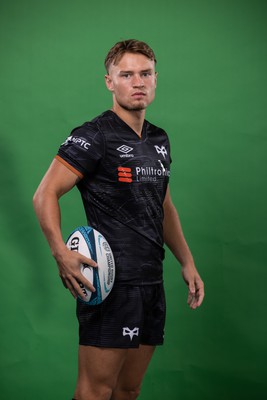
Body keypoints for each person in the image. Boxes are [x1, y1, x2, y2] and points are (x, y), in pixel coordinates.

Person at [33, 39, 204, 400]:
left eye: (145, 74)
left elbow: (164, 205)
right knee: (95, 390)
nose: (137, 81)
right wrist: (59, 253)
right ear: (110, 82)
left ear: (156, 79)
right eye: (126, 74)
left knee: (128, 390)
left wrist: (186, 261)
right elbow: (44, 194)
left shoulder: (159, 139)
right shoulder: (93, 135)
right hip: (110, 283)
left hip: (150, 282)